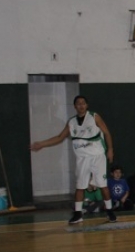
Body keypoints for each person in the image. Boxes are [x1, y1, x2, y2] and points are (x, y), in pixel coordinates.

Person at [30, 95, 116, 225]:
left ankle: (110, 211)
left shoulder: (94, 117)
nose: (81, 105)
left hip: (97, 156)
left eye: (83, 103)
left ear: (87, 105)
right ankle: (78, 214)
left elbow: (107, 133)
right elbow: (60, 137)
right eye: (78, 103)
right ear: (75, 106)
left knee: (102, 185)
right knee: (80, 186)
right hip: (82, 158)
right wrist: (41, 144)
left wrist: (110, 149)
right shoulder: (71, 122)